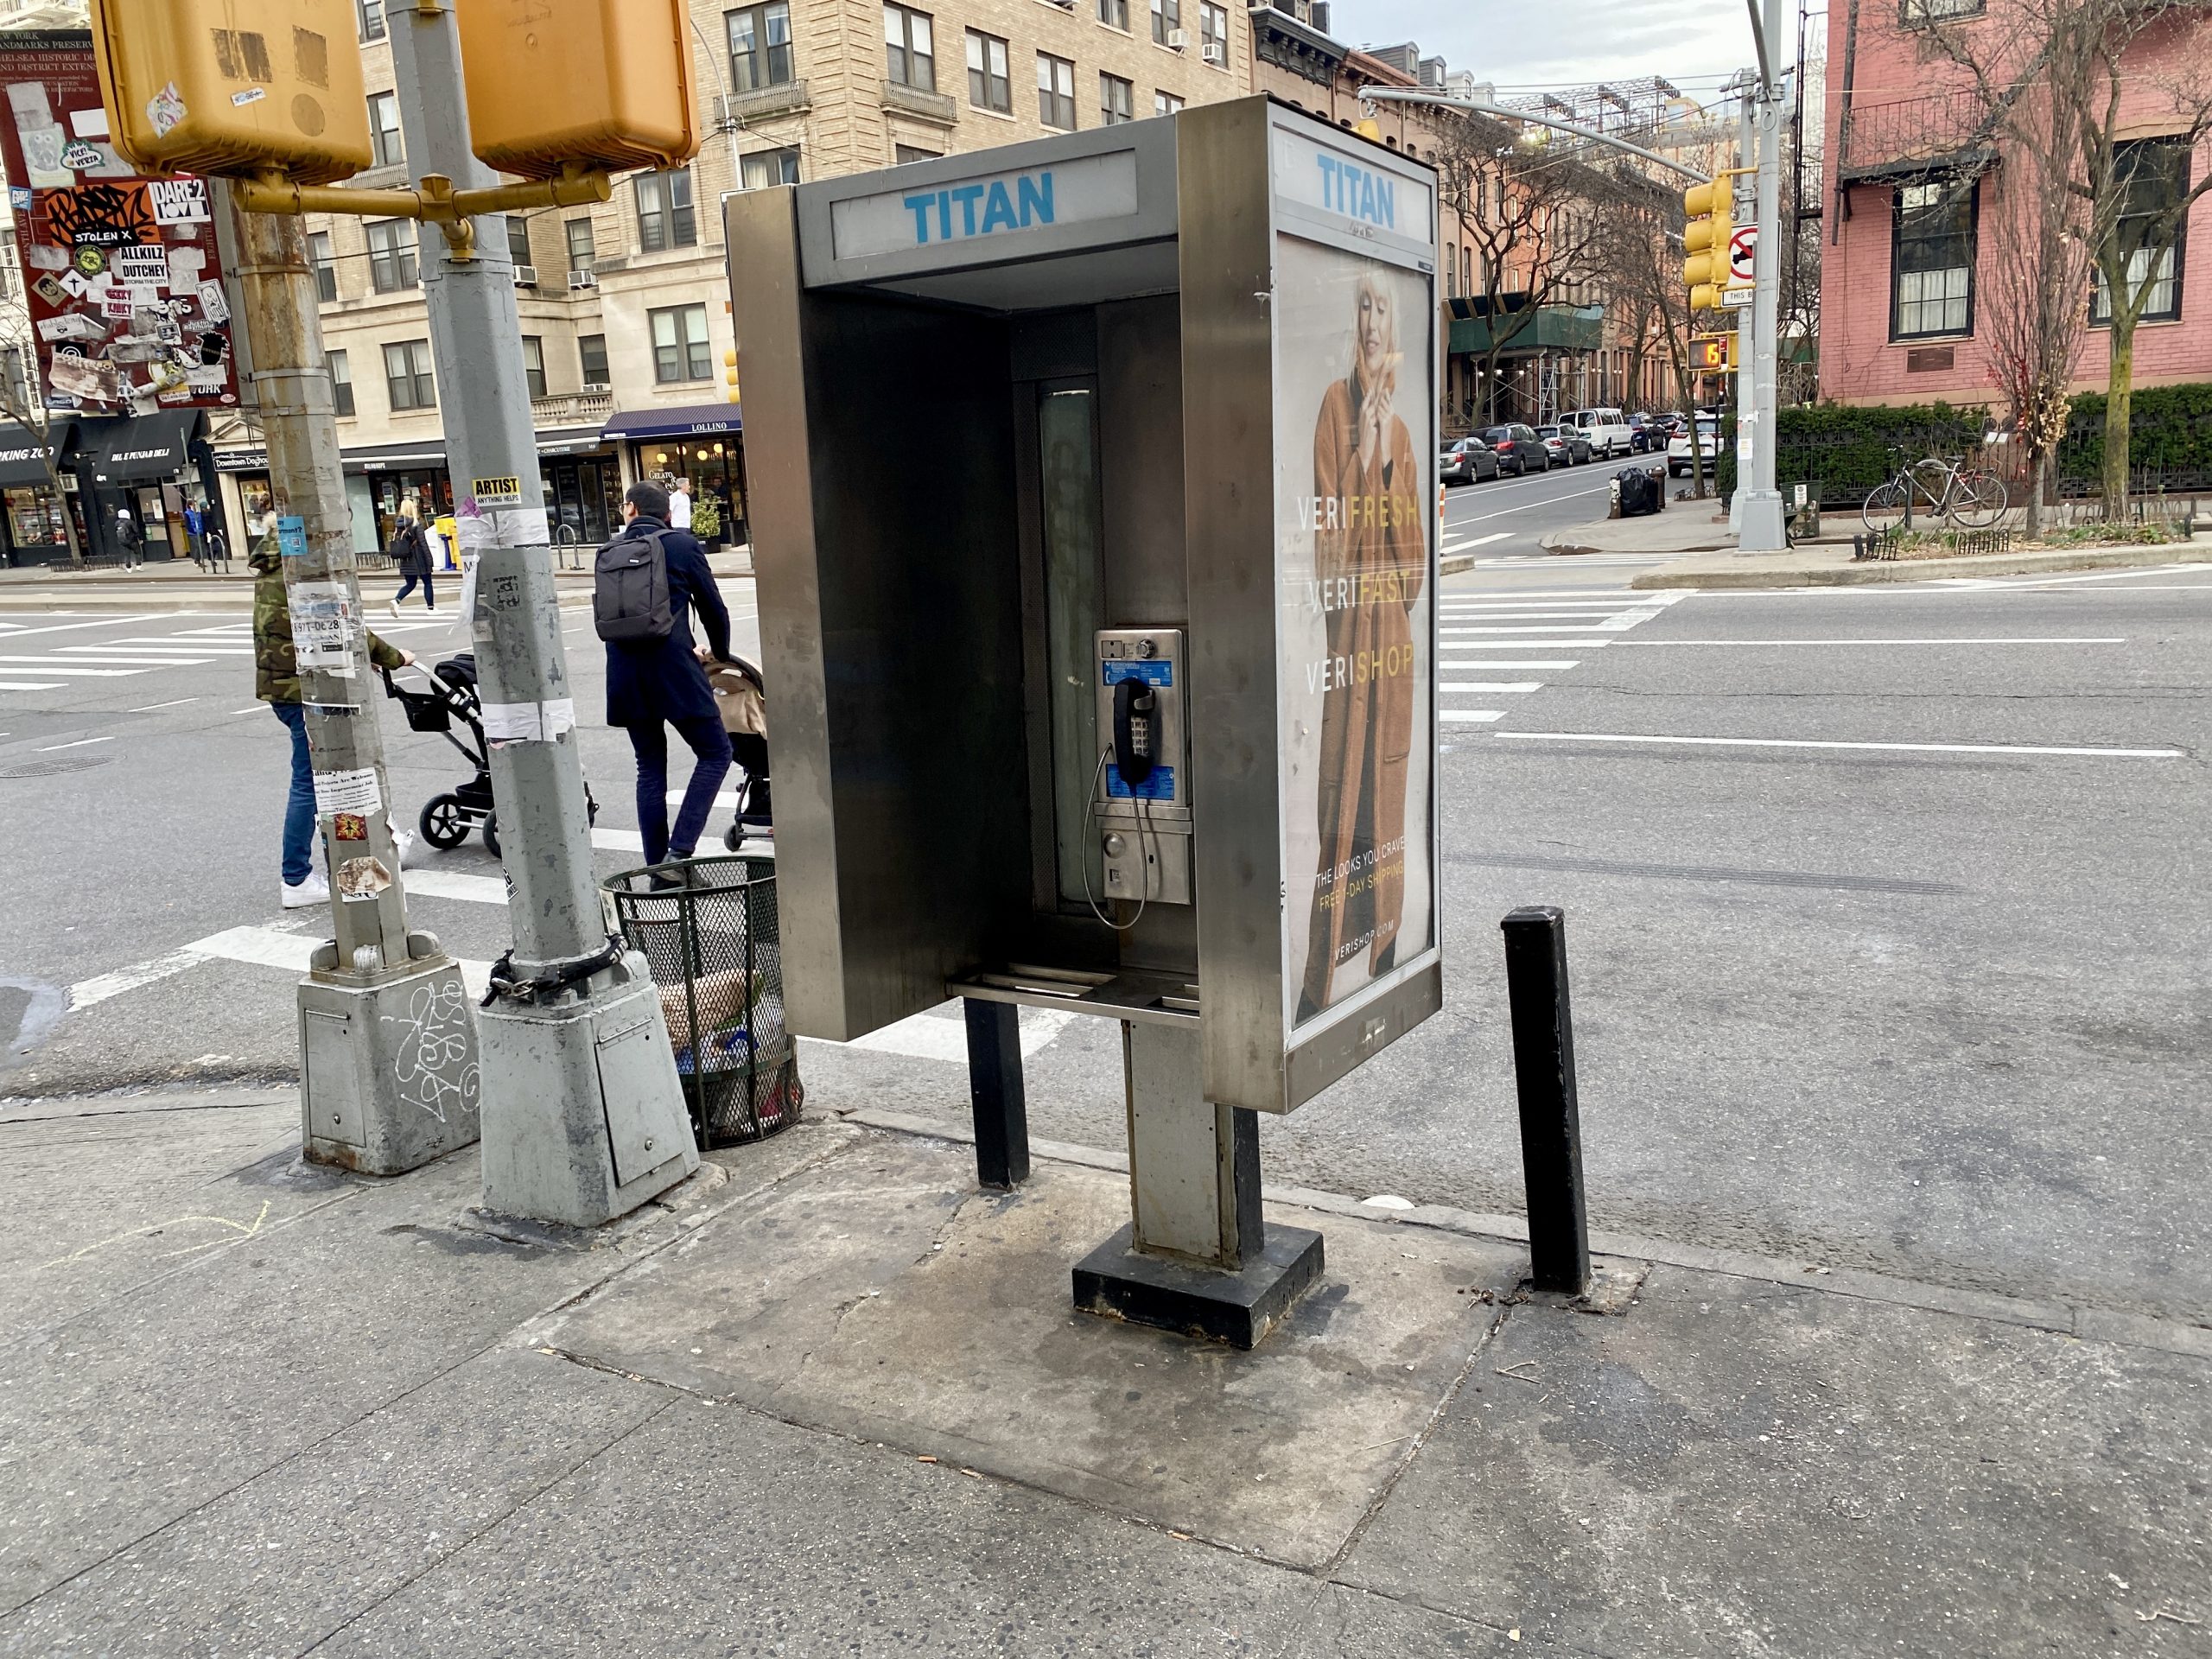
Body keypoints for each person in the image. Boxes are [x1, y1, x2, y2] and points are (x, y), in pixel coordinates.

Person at [1297, 269, 1423, 1024]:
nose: (1372, 321)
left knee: (1387, 810)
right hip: (1350, 654)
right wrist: (1359, 459)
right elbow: (1328, 559)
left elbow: (1410, 573)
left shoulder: (1404, 435)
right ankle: (1318, 980)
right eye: (1363, 307)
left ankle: (1381, 950)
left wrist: (1386, 461)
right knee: (1339, 807)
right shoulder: (1331, 410)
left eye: (1383, 308)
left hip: (1393, 657)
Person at [252, 522, 414, 907]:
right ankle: (296, 879)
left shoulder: (276, 566)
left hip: (294, 687)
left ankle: (382, 844)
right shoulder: (302, 570)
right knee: (315, 782)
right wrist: (393, 657)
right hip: (307, 691)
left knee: (343, 773)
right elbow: (344, 623)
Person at [603, 481, 732, 872]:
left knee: (649, 768)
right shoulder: (681, 546)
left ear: (629, 510)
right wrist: (721, 656)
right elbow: (714, 609)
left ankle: (658, 869)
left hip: (625, 673)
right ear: (668, 514)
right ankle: (679, 853)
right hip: (674, 668)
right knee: (715, 752)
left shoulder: (607, 552)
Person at [389, 510, 436, 614]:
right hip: (419, 559)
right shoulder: (416, 524)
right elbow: (423, 543)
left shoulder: (398, 526)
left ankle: (396, 600)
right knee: (428, 583)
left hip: (406, 560)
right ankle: (431, 608)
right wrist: (429, 559)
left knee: (410, 584)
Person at [115, 505, 142, 569]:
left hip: (123, 541)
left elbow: (115, 531)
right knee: (137, 552)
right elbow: (136, 531)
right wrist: (140, 538)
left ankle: (128, 567)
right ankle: (138, 566)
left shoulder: (117, 523)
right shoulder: (130, 522)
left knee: (127, 554)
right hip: (133, 540)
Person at [182, 499, 205, 568]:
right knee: (198, 546)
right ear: (190, 505)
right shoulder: (187, 513)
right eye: (194, 505)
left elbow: (201, 522)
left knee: (200, 546)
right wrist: (193, 531)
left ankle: (198, 561)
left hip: (200, 531)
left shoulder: (198, 513)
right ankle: (196, 561)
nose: (196, 506)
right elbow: (187, 524)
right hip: (193, 533)